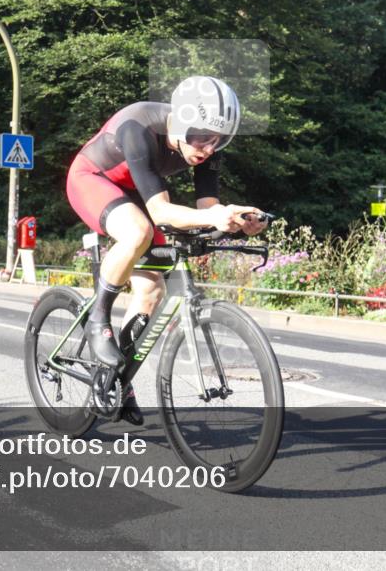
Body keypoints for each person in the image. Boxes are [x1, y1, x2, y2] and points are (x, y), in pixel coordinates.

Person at [66, 76, 269, 424]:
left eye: (219, 140)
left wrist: (235, 220)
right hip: (92, 179)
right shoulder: (139, 126)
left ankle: (113, 378)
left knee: (151, 291)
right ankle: (99, 318)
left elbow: (207, 210)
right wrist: (214, 216)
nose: (208, 148)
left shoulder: (205, 149)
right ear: (181, 120)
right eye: (202, 137)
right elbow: (160, 213)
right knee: (138, 230)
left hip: (137, 193)